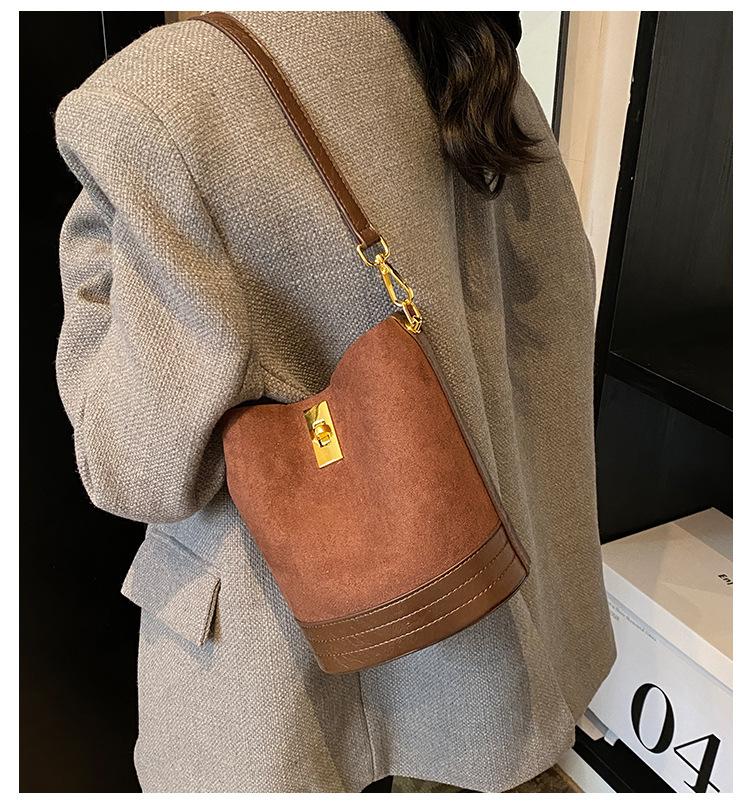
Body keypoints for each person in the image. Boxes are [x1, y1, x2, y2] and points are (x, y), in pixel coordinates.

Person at [53, 10, 615, 793]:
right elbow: (553, 317)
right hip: (488, 639)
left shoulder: (158, 100)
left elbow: (132, 466)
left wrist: (94, 273)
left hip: (283, 688)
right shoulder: (468, 50)